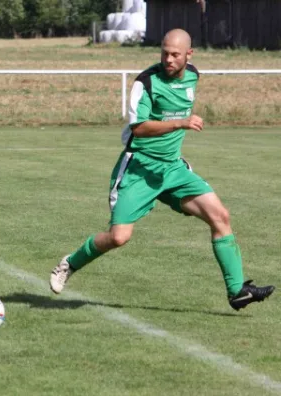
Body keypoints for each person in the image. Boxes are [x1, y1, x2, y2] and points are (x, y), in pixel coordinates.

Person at [49, 29, 275, 311]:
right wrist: (180, 122)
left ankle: (237, 290)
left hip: (172, 169)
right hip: (139, 169)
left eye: (175, 54)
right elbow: (139, 129)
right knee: (119, 237)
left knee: (220, 216)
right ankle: (69, 263)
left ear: (189, 55)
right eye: (164, 53)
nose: (168, 59)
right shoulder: (146, 83)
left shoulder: (193, 75)